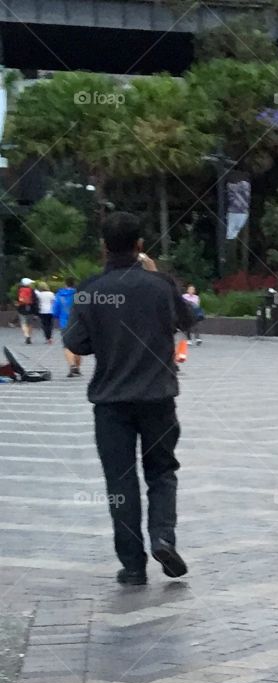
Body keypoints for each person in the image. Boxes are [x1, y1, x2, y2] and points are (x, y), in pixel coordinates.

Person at [63, 211, 195, 586]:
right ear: (140, 246)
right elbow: (187, 321)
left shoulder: (90, 289)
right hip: (158, 397)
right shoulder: (159, 285)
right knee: (162, 471)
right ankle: (163, 537)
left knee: (120, 483)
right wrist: (156, 275)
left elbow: (76, 343)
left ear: (104, 246)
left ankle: (133, 565)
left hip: (111, 402)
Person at [53, 277, 80, 377]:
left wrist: (58, 316)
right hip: (78, 323)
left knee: (67, 345)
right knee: (78, 344)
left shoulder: (59, 295)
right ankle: (77, 367)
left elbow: (55, 310)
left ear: (65, 284)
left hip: (64, 323)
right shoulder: (79, 294)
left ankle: (72, 365)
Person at [16, 278, 37, 344]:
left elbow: (17, 299)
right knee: (30, 323)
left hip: (21, 308)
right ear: (28, 284)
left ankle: (26, 335)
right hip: (30, 308)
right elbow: (35, 300)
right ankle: (29, 337)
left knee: (23, 323)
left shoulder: (19, 290)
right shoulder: (32, 290)